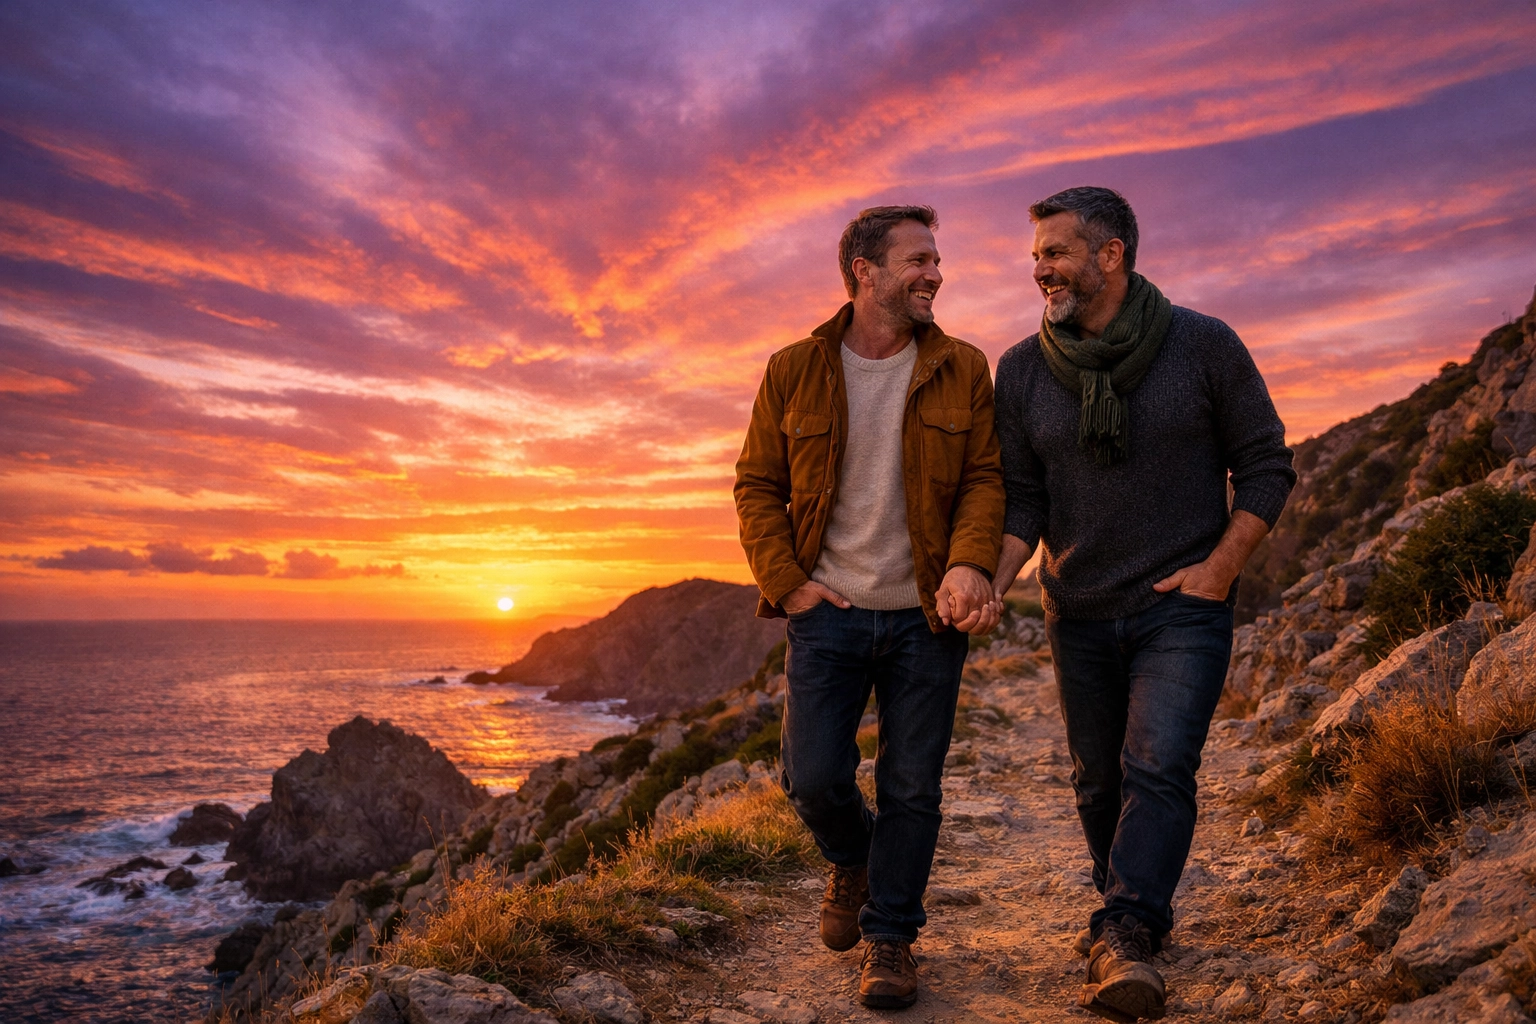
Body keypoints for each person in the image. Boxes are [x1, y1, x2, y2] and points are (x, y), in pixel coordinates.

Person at [991, 187, 1296, 1021]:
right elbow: (1023, 499)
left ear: (1112, 254)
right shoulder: (1020, 370)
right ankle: (1125, 906)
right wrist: (993, 578)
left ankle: (1126, 930)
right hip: (1077, 608)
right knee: (1098, 784)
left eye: (1055, 252)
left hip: (1181, 606)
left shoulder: (1203, 345)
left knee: (1158, 765)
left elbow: (1267, 465)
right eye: (1036, 256)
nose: (1040, 269)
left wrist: (1220, 568)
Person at [734, 205, 1005, 1009]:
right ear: (865, 272)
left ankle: (890, 939)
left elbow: (986, 479)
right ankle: (851, 860)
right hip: (830, 613)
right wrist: (789, 587)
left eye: (936, 260)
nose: (935, 274)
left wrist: (969, 564)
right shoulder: (794, 367)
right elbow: (757, 485)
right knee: (813, 777)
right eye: (918, 260)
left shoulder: (963, 366)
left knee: (913, 785)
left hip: (927, 616)